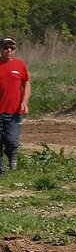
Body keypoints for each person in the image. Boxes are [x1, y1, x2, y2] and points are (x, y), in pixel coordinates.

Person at [0, 37, 31, 173]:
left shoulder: (20, 65)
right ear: (1, 49)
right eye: (6, 47)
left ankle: (12, 155)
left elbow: (26, 83)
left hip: (14, 111)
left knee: (11, 141)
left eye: (11, 48)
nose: (9, 50)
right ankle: (1, 171)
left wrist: (25, 102)